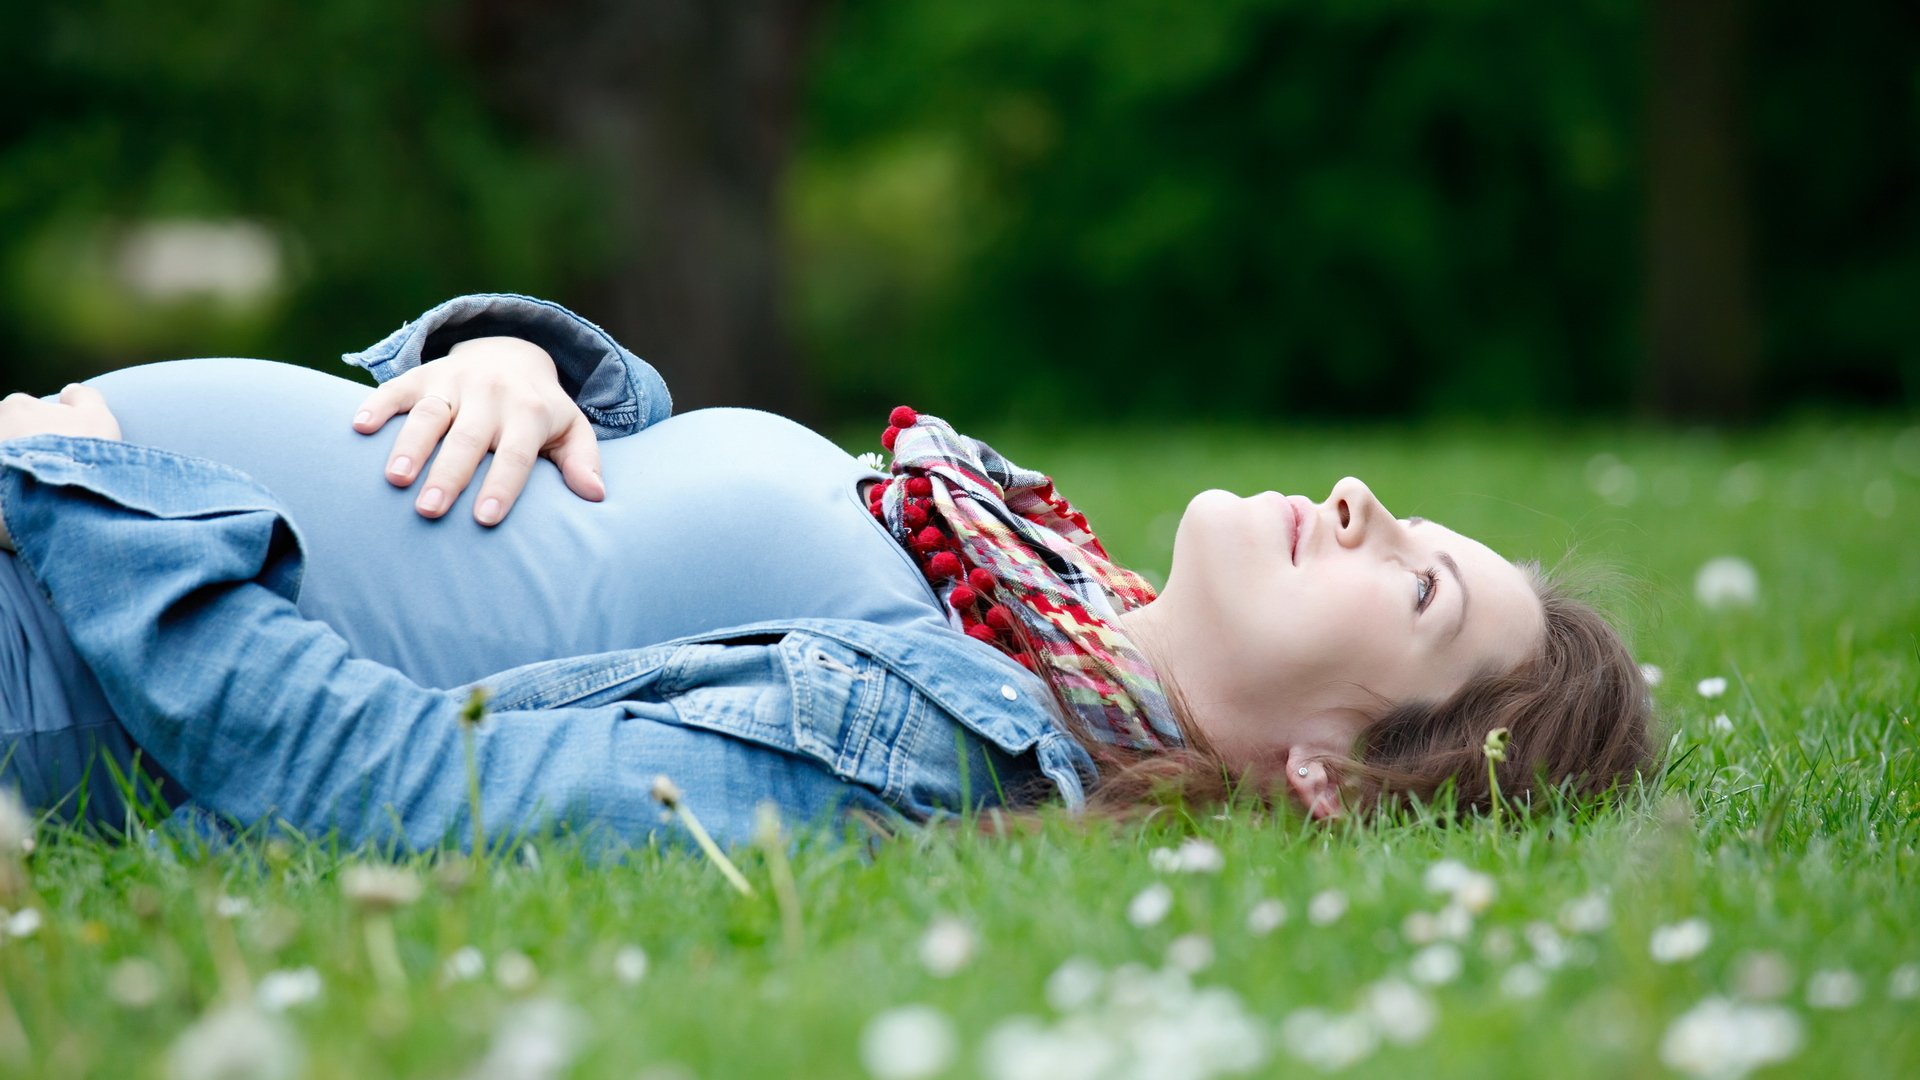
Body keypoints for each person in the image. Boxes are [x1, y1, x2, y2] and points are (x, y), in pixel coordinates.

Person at [0, 295, 1656, 850]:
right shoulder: (1004, 568)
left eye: (1418, 587)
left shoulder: (941, 748)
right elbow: (616, 506)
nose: (1363, 500)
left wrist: (93, 498)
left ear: (1336, 776)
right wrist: (510, 359)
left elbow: (408, 790)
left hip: (57, 640)